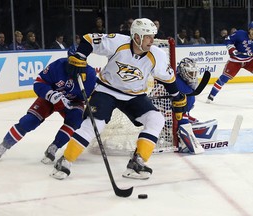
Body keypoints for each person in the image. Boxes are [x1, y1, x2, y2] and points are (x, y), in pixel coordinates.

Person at [50, 18, 187, 180]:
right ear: (137, 37)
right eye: (148, 36)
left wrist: (177, 97)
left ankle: (138, 161)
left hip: (134, 96)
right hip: (106, 90)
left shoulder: (157, 55)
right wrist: (80, 55)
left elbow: (168, 78)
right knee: (95, 124)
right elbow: (88, 39)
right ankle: (65, 161)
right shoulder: (117, 42)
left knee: (156, 119)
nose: (152, 40)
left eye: (152, 36)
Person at [0, 58, 97, 163]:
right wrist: (51, 95)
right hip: (51, 98)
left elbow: (94, 96)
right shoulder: (58, 66)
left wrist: (92, 107)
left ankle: (54, 146)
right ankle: (4, 144)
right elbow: (38, 83)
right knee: (29, 120)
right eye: (71, 64)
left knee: (75, 121)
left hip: (73, 102)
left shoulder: (90, 75)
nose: (73, 68)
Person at [207, 21, 253, 103]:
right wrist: (232, 49)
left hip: (249, 61)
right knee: (224, 78)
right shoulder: (240, 34)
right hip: (235, 61)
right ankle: (211, 95)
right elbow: (228, 40)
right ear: (249, 29)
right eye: (252, 29)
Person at [175, 58, 204, 154]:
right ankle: (180, 138)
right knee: (188, 101)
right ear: (183, 72)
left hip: (168, 111)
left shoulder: (178, 77)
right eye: (191, 73)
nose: (193, 76)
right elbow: (180, 111)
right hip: (166, 115)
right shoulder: (182, 86)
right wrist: (185, 124)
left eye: (195, 73)